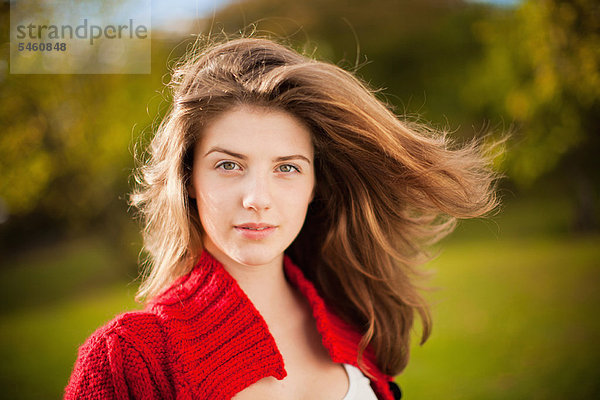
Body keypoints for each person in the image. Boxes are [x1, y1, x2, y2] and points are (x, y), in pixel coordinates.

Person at [64, 37, 499, 400]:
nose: (258, 198)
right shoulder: (126, 357)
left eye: (287, 167)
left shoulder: (354, 319)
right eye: (228, 165)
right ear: (188, 179)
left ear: (314, 187)